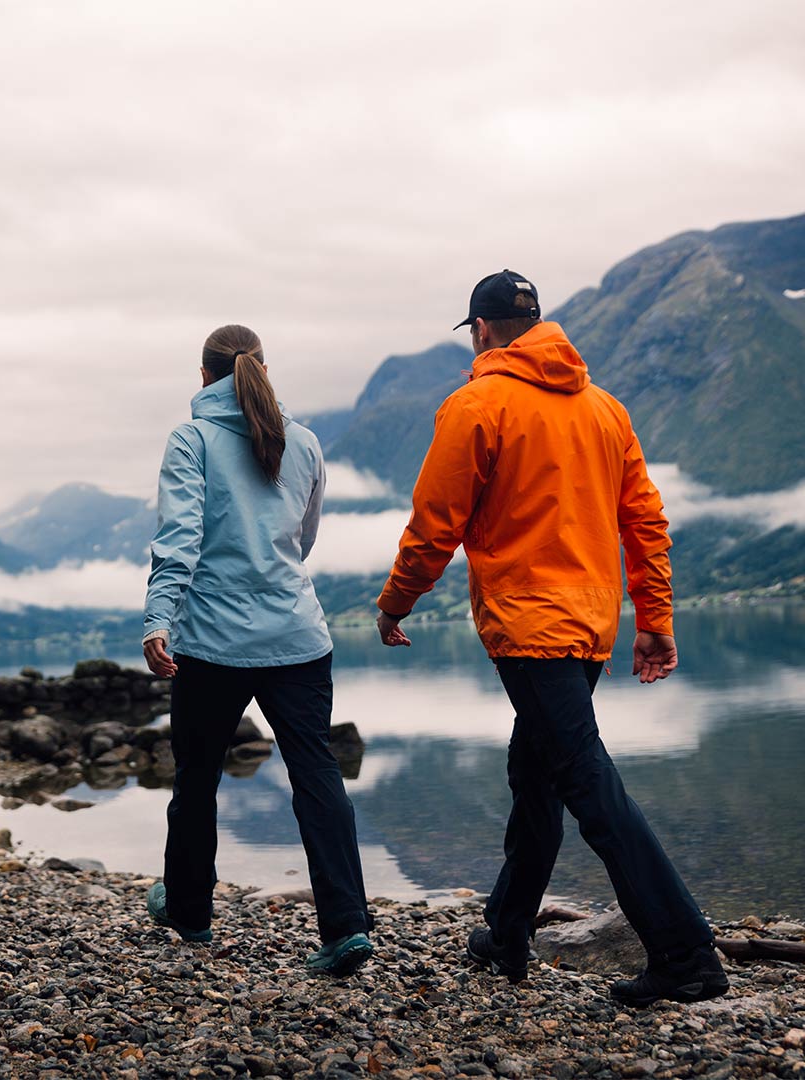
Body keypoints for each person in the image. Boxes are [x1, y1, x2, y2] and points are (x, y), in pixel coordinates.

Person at [375, 271, 729, 1006]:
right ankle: (507, 932)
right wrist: (653, 619)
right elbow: (645, 521)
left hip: (528, 625)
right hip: (592, 625)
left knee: (585, 782)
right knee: (535, 774)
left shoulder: (477, 404)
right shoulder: (605, 409)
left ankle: (685, 954)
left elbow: (435, 524)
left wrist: (395, 603)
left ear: (480, 330)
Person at [142, 323, 374, 976]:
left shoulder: (192, 440)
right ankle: (347, 927)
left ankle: (190, 911)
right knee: (317, 774)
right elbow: (303, 538)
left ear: (204, 378)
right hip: (298, 637)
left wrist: (159, 619)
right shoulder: (305, 442)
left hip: (212, 643)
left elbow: (180, 538)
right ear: (264, 372)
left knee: (197, 778)